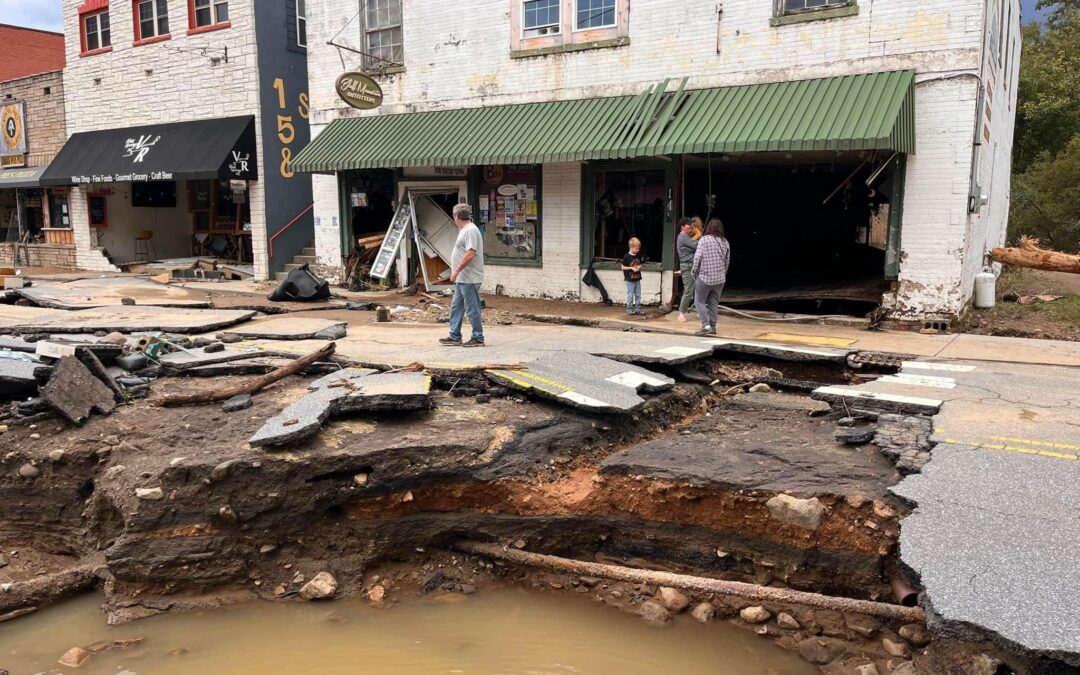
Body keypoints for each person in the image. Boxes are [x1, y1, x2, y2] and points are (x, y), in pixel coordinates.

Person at [439, 204, 486, 347]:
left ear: (457, 216)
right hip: (463, 278)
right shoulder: (465, 229)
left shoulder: (470, 230)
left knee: (472, 308)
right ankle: (454, 336)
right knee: (456, 307)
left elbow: (470, 253)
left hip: (469, 278)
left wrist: (456, 270)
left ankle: (478, 337)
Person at [691, 218, 731, 336]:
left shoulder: (704, 240)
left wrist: (694, 272)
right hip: (720, 279)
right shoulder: (725, 242)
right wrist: (723, 274)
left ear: (709, 227)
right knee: (713, 302)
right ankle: (713, 326)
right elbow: (727, 261)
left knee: (699, 301)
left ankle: (706, 325)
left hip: (705, 277)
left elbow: (697, 258)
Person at [676, 217, 699, 322]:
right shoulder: (683, 236)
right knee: (689, 290)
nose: (690, 226)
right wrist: (699, 235)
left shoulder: (687, 236)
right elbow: (696, 246)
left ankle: (699, 310)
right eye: (688, 225)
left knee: (699, 289)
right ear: (682, 227)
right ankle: (681, 313)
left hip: (693, 265)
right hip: (687, 265)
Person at [621, 237, 644, 315]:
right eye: (636, 249)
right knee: (630, 295)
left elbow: (640, 264)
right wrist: (631, 268)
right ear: (631, 247)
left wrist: (639, 267)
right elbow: (622, 267)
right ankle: (629, 309)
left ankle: (637, 309)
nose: (638, 250)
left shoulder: (638, 255)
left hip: (637, 278)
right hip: (629, 279)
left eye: (638, 249)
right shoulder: (626, 256)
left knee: (638, 295)